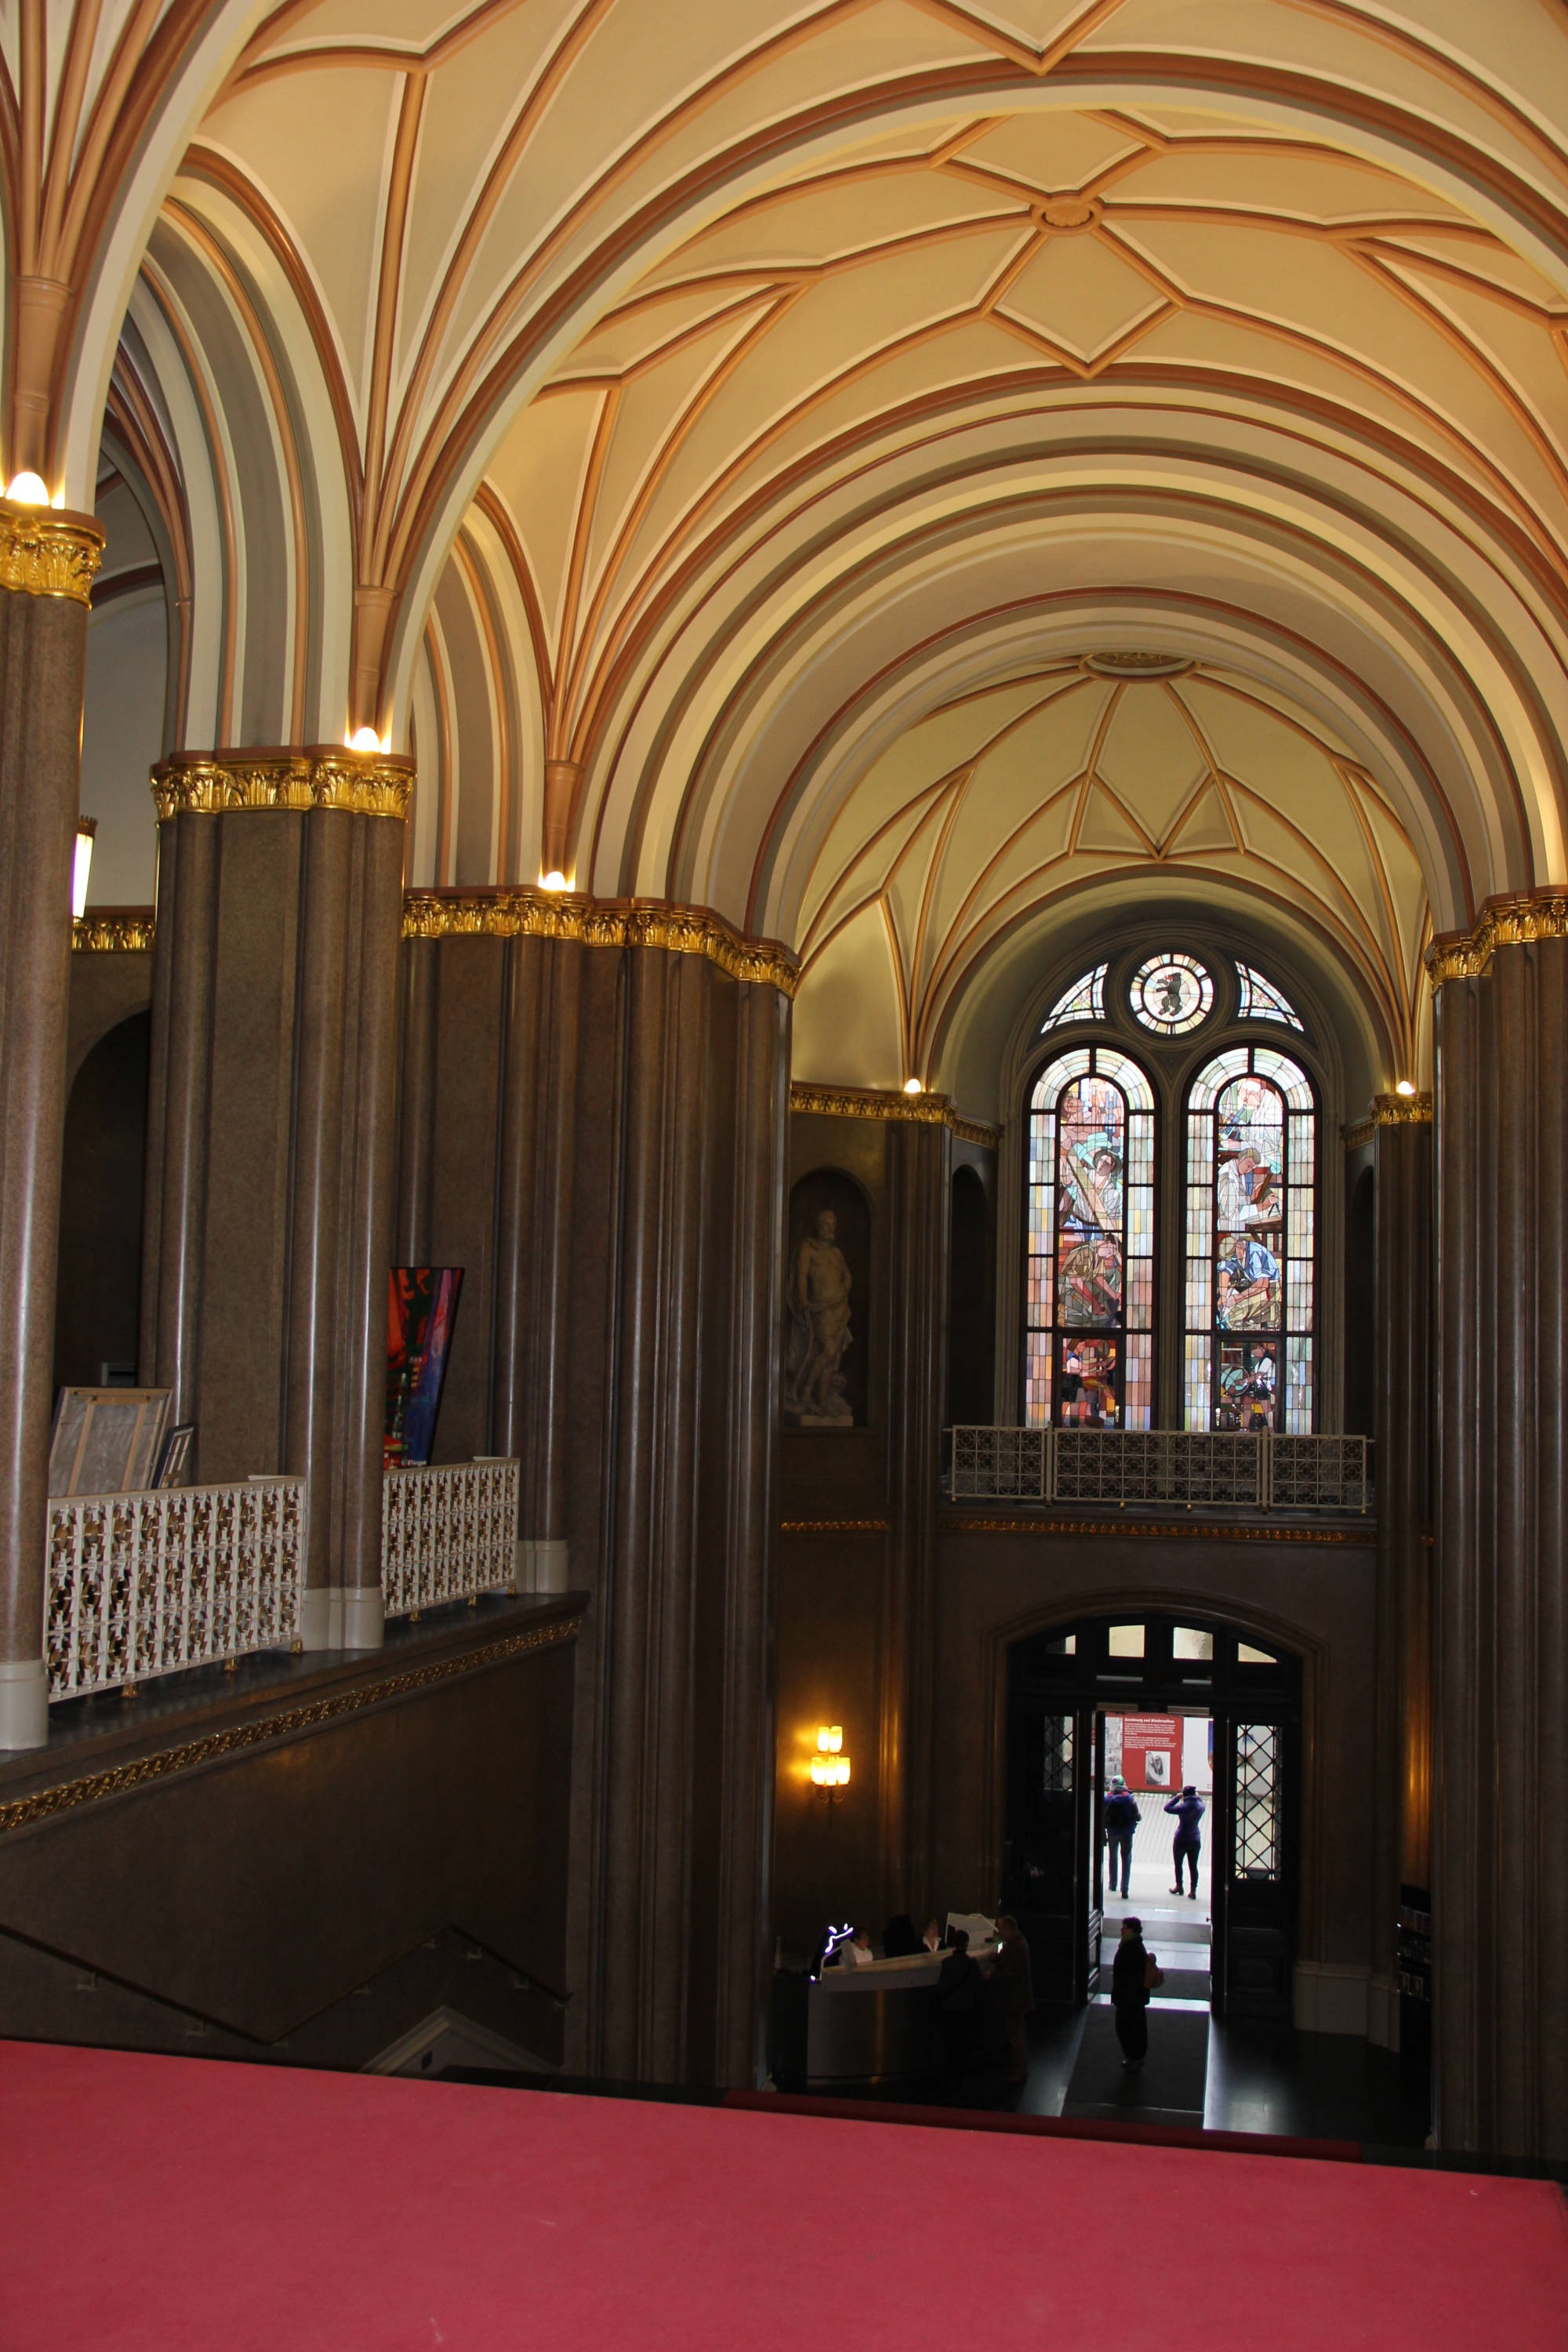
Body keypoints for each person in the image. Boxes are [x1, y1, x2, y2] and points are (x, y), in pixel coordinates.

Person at [990, 1914, 1034, 2085]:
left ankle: (1020, 2071)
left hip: (1015, 1999)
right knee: (1019, 2033)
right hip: (1019, 1998)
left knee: (1016, 2034)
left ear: (1008, 1929)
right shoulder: (1018, 1943)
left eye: (1001, 1930)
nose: (999, 1933)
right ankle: (1020, 2067)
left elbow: (1010, 1973)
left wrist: (991, 1974)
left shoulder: (1015, 1947)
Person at [935, 1927, 982, 2087]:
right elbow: (977, 1986)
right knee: (964, 2042)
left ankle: (949, 2073)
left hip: (949, 2008)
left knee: (950, 2043)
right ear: (967, 1944)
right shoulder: (972, 1964)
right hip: (966, 2009)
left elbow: (942, 1986)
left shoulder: (947, 1963)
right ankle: (963, 2073)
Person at [1110, 1915, 1158, 2071]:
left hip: (1129, 1997)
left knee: (1127, 2027)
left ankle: (1134, 2057)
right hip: (1133, 1997)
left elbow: (1127, 1974)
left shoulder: (1130, 1947)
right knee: (1134, 2026)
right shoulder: (1134, 1945)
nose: (1121, 1929)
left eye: (1124, 1927)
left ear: (1131, 1930)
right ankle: (1135, 2057)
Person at [1165, 1783, 1206, 1896]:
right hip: (1195, 1839)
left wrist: (1176, 1798)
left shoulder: (1183, 1807)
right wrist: (1198, 1797)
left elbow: (1167, 1808)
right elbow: (1203, 1804)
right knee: (1193, 1866)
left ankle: (1179, 1886)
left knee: (1178, 1864)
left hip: (1181, 1838)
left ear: (1184, 1795)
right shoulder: (1200, 1807)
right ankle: (1193, 1891)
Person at [1102, 1775, 1138, 1898]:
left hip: (1112, 1832)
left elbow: (1102, 1816)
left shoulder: (1106, 1799)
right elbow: (1137, 1815)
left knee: (1113, 1857)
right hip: (1127, 1833)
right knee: (1126, 1859)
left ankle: (1113, 1884)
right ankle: (1125, 1889)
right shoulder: (1129, 1799)